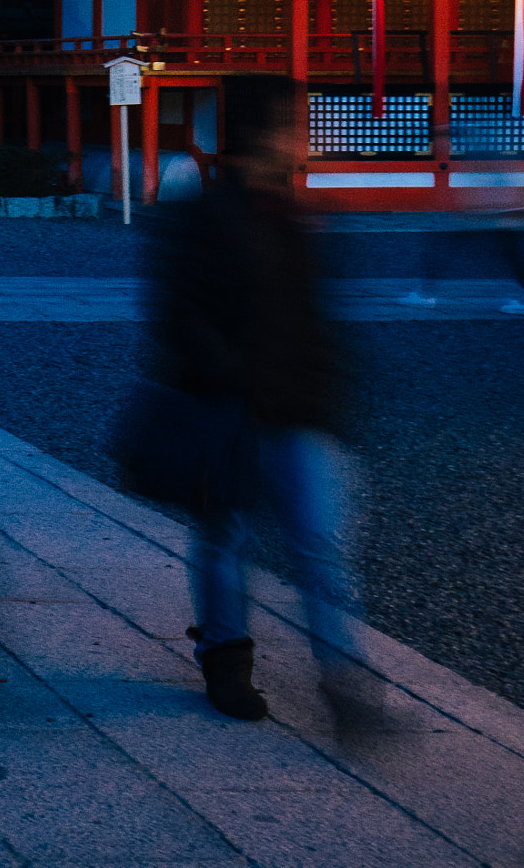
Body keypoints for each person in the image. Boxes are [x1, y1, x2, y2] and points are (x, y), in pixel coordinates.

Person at [153, 73, 367, 732]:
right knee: (225, 537)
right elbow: (182, 313)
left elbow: (314, 316)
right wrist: (231, 380)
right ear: (259, 133)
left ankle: (342, 676)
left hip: (299, 407)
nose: (300, 138)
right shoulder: (206, 214)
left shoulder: (294, 214)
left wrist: (328, 386)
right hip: (229, 405)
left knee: (319, 541)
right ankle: (225, 657)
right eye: (291, 125)